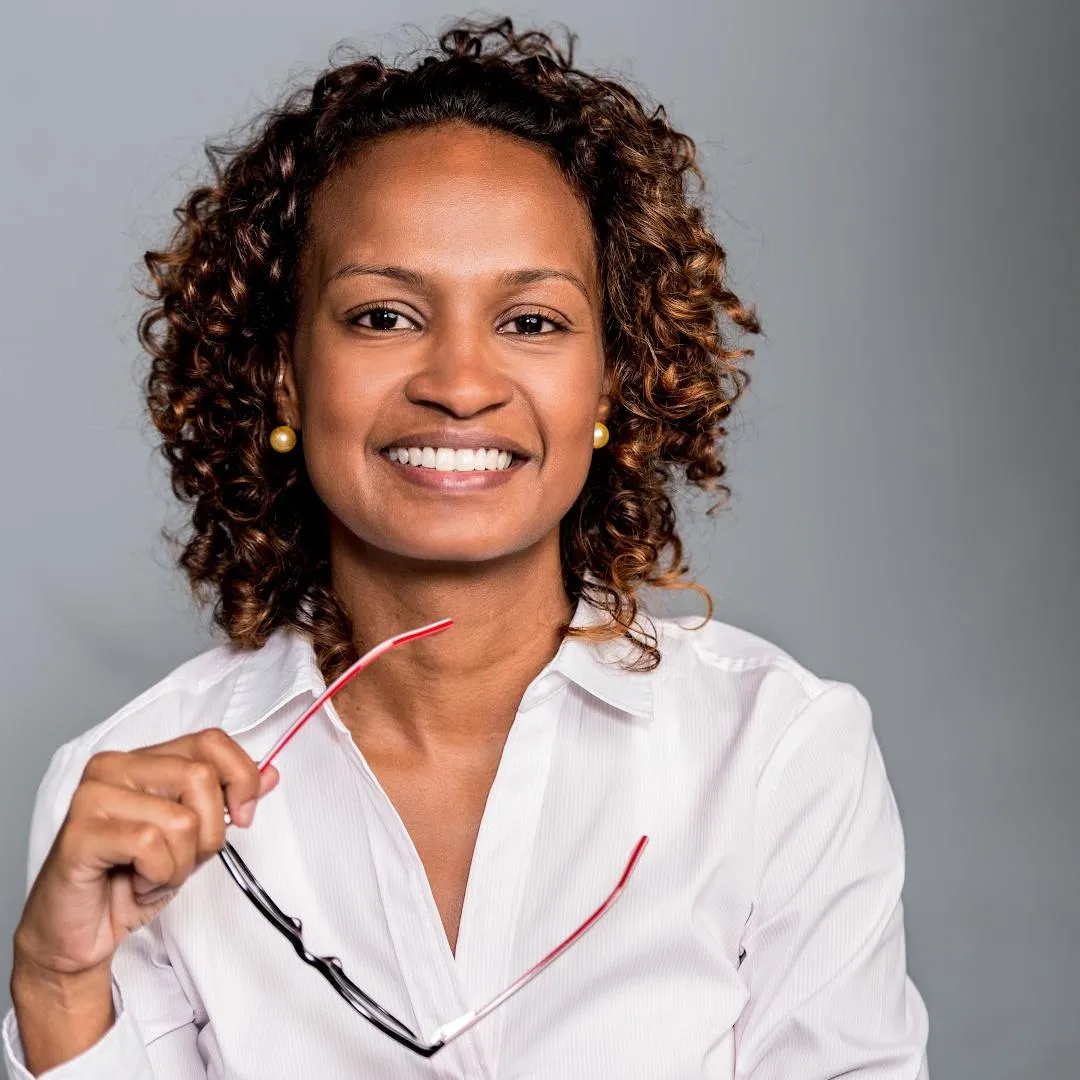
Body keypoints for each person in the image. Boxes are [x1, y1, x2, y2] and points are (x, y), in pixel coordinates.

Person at [4, 15, 930, 1079]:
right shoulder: (127, 793)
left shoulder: (777, 755)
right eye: (385, 316)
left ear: (609, 386)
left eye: (532, 323)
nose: (459, 380)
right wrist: (57, 983)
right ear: (287, 379)